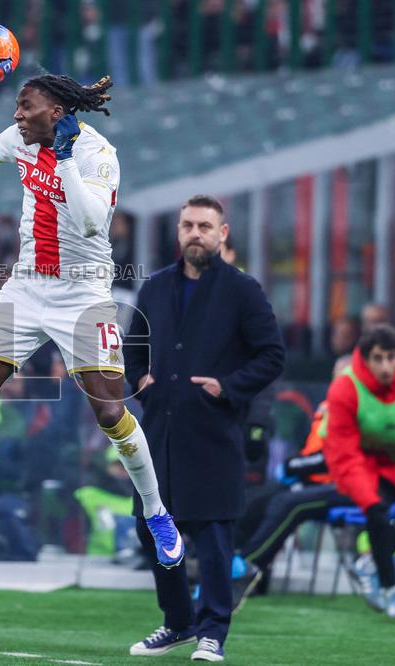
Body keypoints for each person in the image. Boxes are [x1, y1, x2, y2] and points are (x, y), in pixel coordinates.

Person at [0, 74, 184, 576]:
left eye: (25, 107)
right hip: (27, 287)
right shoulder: (22, 139)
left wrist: (65, 160)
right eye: (16, 107)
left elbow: (92, 222)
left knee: (111, 411)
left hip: (83, 292)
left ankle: (157, 514)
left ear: (57, 110)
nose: (16, 116)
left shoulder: (97, 155)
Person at [124, 195, 285, 661]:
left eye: (205, 226)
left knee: (214, 537)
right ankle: (178, 623)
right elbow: (132, 349)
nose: (196, 233)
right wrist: (141, 380)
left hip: (214, 433)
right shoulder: (153, 288)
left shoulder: (243, 290)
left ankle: (213, 631)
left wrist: (228, 387)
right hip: (160, 433)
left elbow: (272, 355)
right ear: (178, 232)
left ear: (223, 233)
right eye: (188, 225)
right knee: (153, 531)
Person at [323, 324, 395, 618]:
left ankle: (373, 561)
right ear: (364, 358)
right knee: (378, 511)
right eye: (377, 358)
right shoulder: (345, 387)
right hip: (359, 464)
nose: (386, 366)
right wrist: (367, 496)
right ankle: (391, 591)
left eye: (391, 357)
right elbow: (344, 453)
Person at [231, 355, 355, 607]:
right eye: (337, 375)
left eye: (346, 377)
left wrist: (294, 466)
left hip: (333, 481)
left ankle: (243, 568)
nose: (338, 381)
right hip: (313, 478)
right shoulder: (329, 405)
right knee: (252, 503)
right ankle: (251, 575)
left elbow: (332, 457)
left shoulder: (353, 408)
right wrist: (297, 465)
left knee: (285, 504)